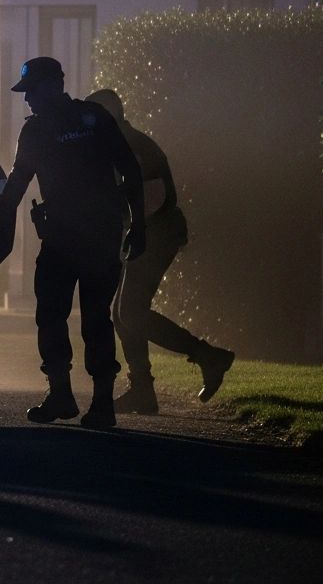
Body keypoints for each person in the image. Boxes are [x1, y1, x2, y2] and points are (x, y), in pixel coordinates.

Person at [0, 57, 145, 430]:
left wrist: (139, 224)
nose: (27, 99)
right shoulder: (64, 124)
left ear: (53, 85)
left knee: (82, 317)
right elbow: (18, 180)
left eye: (31, 91)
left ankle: (96, 402)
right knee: (63, 315)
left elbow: (129, 169)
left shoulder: (76, 122)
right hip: (77, 235)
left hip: (83, 236)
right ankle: (68, 397)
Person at [84, 89, 235, 413]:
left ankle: (209, 357)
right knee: (123, 316)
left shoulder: (133, 145)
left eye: (92, 116)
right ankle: (143, 391)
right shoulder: (119, 142)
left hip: (156, 233)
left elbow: (153, 197)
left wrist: (128, 227)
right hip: (150, 233)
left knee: (131, 313)